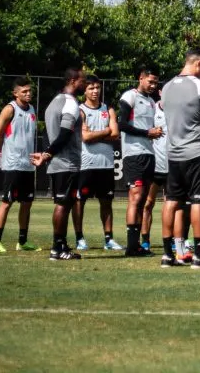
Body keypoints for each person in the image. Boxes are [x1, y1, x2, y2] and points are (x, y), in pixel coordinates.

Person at [160, 47, 200, 268]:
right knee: (199, 201)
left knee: (171, 201)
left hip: (173, 152)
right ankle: (199, 255)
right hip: (197, 151)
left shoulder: (166, 87)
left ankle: (168, 254)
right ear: (198, 64)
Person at [30, 66, 87, 260]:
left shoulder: (53, 102)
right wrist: (47, 154)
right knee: (63, 204)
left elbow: (48, 134)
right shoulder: (70, 104)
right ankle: (57, 248)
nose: (85, 84)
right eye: (82, 81)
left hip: (57, 163)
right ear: (73, 81)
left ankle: (61, 245)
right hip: (66, 162)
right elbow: (64, 134)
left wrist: (48, 155)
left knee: (65, 202)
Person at [72, 76, 122, 252]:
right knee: (80, 201)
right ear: (84, 91)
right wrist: (106, 131)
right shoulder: (80, 110)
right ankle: (80, 238)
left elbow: (115, 134)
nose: (95, 91)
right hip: (86, 164)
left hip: (106, 164)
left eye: (97, 88)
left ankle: (108, 239)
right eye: (91, 88)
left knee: (106, 202)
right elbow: (85, 137)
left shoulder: (108, 109)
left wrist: (98, 134)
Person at [118, 64, 161, 257]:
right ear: (141, 78)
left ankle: (137, 245)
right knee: (135, 197)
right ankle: (131, 246)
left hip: (149, 154)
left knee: (143, 199)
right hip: (133, 153)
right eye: (150, 81)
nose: (152, 85)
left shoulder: (152, 102)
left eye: (155, 83)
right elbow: (122, 124)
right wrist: (146, 132)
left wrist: (155, 133)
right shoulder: (130, 96)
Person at [0, 78, 40, 252]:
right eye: (24, 91)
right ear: (15, 93)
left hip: (27, 164)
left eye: (29, 91)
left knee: (27, 203)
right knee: (7, 201)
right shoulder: (9, 109)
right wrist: (2, 152)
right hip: (12, 164)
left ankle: (22, 241)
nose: (28, 94)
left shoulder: (32, 109)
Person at [142, 95, 168, 253]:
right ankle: (145, 240)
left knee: (171, 206)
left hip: (172, 166)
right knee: (148, 203)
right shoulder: (152, 110)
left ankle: (171, 240)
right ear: (160, 92)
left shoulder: (176, 111)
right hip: (155, 165)